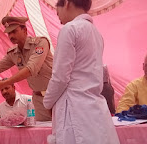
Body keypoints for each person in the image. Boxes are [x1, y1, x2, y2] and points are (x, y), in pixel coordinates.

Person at [43, 0, 119, 143]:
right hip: (94, 108)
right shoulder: (96, 33)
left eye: (56, 8)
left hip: (75, 109)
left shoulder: (70, 29)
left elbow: (60, 77)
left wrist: (47, 102)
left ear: (66, 3)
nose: (56, 13)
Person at [0, 16, 53, 121]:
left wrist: (3, 83)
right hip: (38, 99)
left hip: (56, 96)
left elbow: (31, 69)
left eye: (14, 31)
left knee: (65, 132)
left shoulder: (40, 43)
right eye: (9, 33)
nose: (11, 35)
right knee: (43, 132)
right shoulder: (13, 53)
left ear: (25, 30)